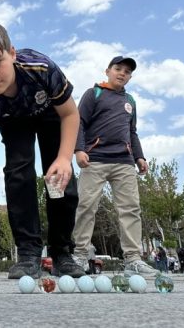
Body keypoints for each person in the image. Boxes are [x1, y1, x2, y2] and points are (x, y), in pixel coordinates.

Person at [0, 19, 85, 279]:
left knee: (59, 181)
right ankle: (28, 253)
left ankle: (62, 252)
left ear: (12, 53)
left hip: (51, 115)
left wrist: (63, 158)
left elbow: (71, 114)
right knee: (18, 173)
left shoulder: (41, 67)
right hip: (13, 120)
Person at [71, 56, 158, 277]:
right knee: (86, 206)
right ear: (107, 70)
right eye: (118, 69)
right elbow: (79, 122)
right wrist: (79, 149)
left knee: (130, 209)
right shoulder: (94, 94)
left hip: (124, 162)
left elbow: (132, 131)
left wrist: (139, 156)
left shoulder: (130, 101)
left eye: (127, 71)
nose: (122, 73)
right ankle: (80, 255)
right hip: (95, 159)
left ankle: (133, 259)